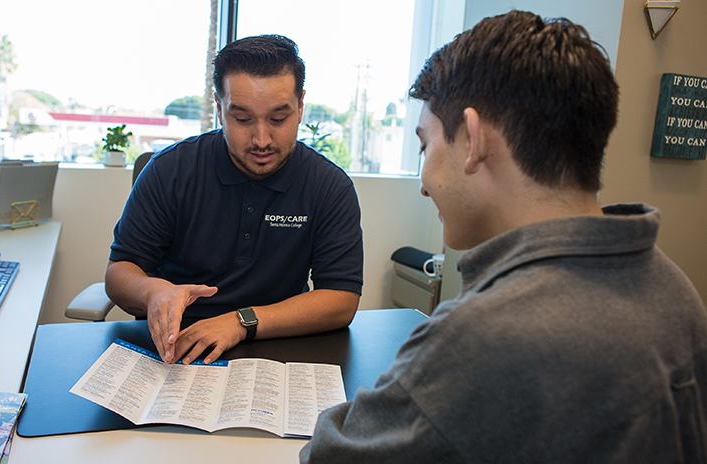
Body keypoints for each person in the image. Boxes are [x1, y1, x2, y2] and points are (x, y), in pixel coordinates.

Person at [300, 10, 707, 463]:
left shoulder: (483, 337)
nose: (423, 180)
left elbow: (329, 455)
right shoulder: (675, 289)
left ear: (473, 139)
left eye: (424, 145)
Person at [106, 34, 364, 365]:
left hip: (278, 348)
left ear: (300, 107)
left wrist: (240, 322)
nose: (261, 139)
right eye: (242, 119)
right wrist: (153, 291)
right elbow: (120, 272)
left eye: (278, 118)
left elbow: (340, 299)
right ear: (219, 108)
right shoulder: (170, 171)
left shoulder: (329, 186)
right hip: (177, 349)